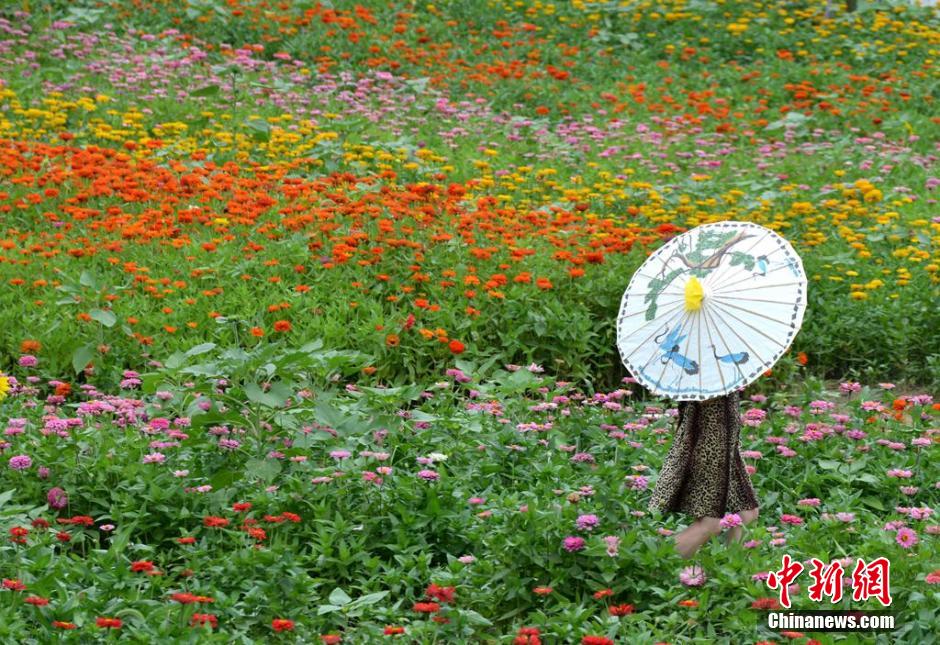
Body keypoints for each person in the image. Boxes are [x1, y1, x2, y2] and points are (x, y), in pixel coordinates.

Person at [648, 389, 760, 558]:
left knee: (746, 514)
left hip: (727, 447)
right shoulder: (704, 372)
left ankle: (731, 573)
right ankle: (656, 563)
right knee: (709, 524)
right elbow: (701, 397)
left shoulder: (718, 368)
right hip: (710, 448)